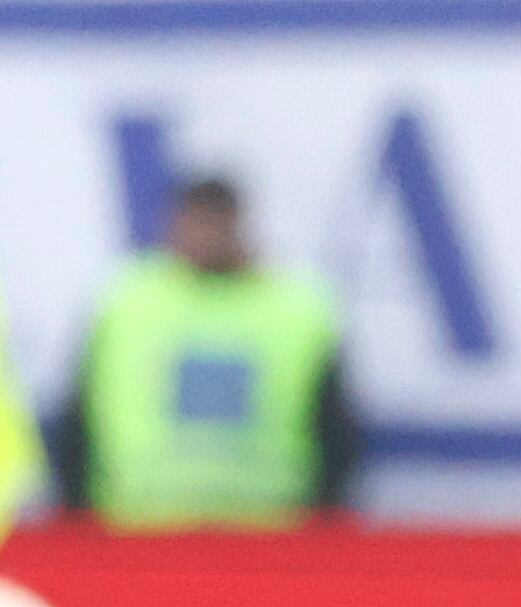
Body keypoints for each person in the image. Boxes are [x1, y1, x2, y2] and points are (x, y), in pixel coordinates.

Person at [43, 171, 359, 523]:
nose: (204, 237)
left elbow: (334, 431)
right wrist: (74, 516)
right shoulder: (126, 301)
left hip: (266, 528)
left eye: (214, 224)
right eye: (194, 223)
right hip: (137, 526)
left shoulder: (299, 308)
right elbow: (78, 420)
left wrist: (325, 523)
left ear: (238, 223)